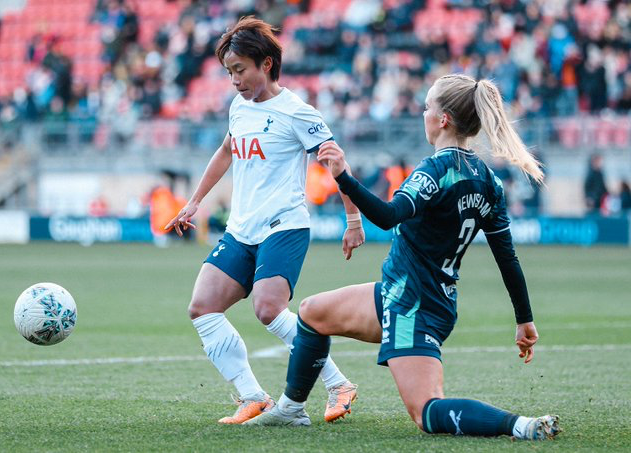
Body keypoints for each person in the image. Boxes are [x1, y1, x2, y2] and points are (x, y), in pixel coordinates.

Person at [246, 74, 562, 441]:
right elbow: (507, 258)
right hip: (410, 294)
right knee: (312, 312)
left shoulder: (437, 170)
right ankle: (291, 409)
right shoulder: (488, 180)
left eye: (427, 107)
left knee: (426, 412)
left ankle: (520, 425)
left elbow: (388, 215)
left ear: (442, 119)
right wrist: (525, 319)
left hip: (412, 306)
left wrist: (343, 177)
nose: (423, 113)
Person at [164, 16, 364, 424]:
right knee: (202, 307)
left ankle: (338, 383)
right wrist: (195, 201)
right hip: (242, 228)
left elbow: (334, 161)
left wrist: (353, 219)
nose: (234, 80)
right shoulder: (239, 108)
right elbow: (225, 151)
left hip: (284, 226)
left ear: (266, 64)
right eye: (229, 72)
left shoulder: (297, 112)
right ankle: (254, 397)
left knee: (269, 308)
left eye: (239, 70)